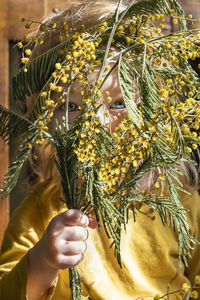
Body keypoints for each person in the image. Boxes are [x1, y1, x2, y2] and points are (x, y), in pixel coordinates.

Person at [1, 1, 200, 300]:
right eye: (72, 107)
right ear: (44, 120)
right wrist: (42, 261)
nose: (97, 123)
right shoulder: (43, 211)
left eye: (119, 103)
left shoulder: (181, 201)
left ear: (154, 109)